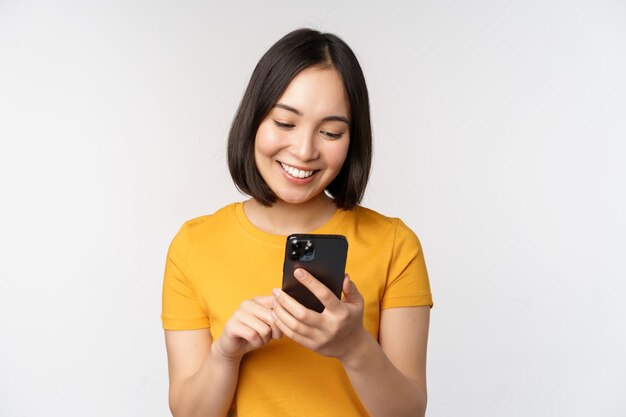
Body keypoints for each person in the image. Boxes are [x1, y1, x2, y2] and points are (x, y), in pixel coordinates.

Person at [161, 28, 433, 417]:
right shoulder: (194, 244)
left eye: (330, 132)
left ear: (353, 139)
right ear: (254, 120)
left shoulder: (394, 244)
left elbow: (409, 413)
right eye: (285, 124)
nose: (305, 151)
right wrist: (225, 355)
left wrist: (354, 347)